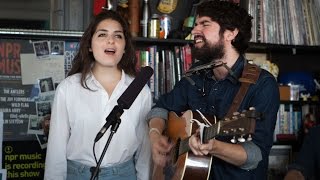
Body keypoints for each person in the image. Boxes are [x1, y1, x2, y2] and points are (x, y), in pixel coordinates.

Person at [147, 1, 280, 179]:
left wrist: (213, 146)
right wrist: (155, 135)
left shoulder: (262, 85)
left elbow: (256, 155)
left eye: (205, 24)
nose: (194, 31)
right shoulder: (194, 77)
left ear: (231, 33)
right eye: (195, 25)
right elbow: (161, 107)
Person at [44, 10, 152, 180]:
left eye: (118, 36)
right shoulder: (68, 88)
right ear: (89, 45)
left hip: (124, 175)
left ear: (124, 47)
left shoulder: (140, 91)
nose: (111, 40)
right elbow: (56, 150)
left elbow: (145, 150)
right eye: (102, 34)